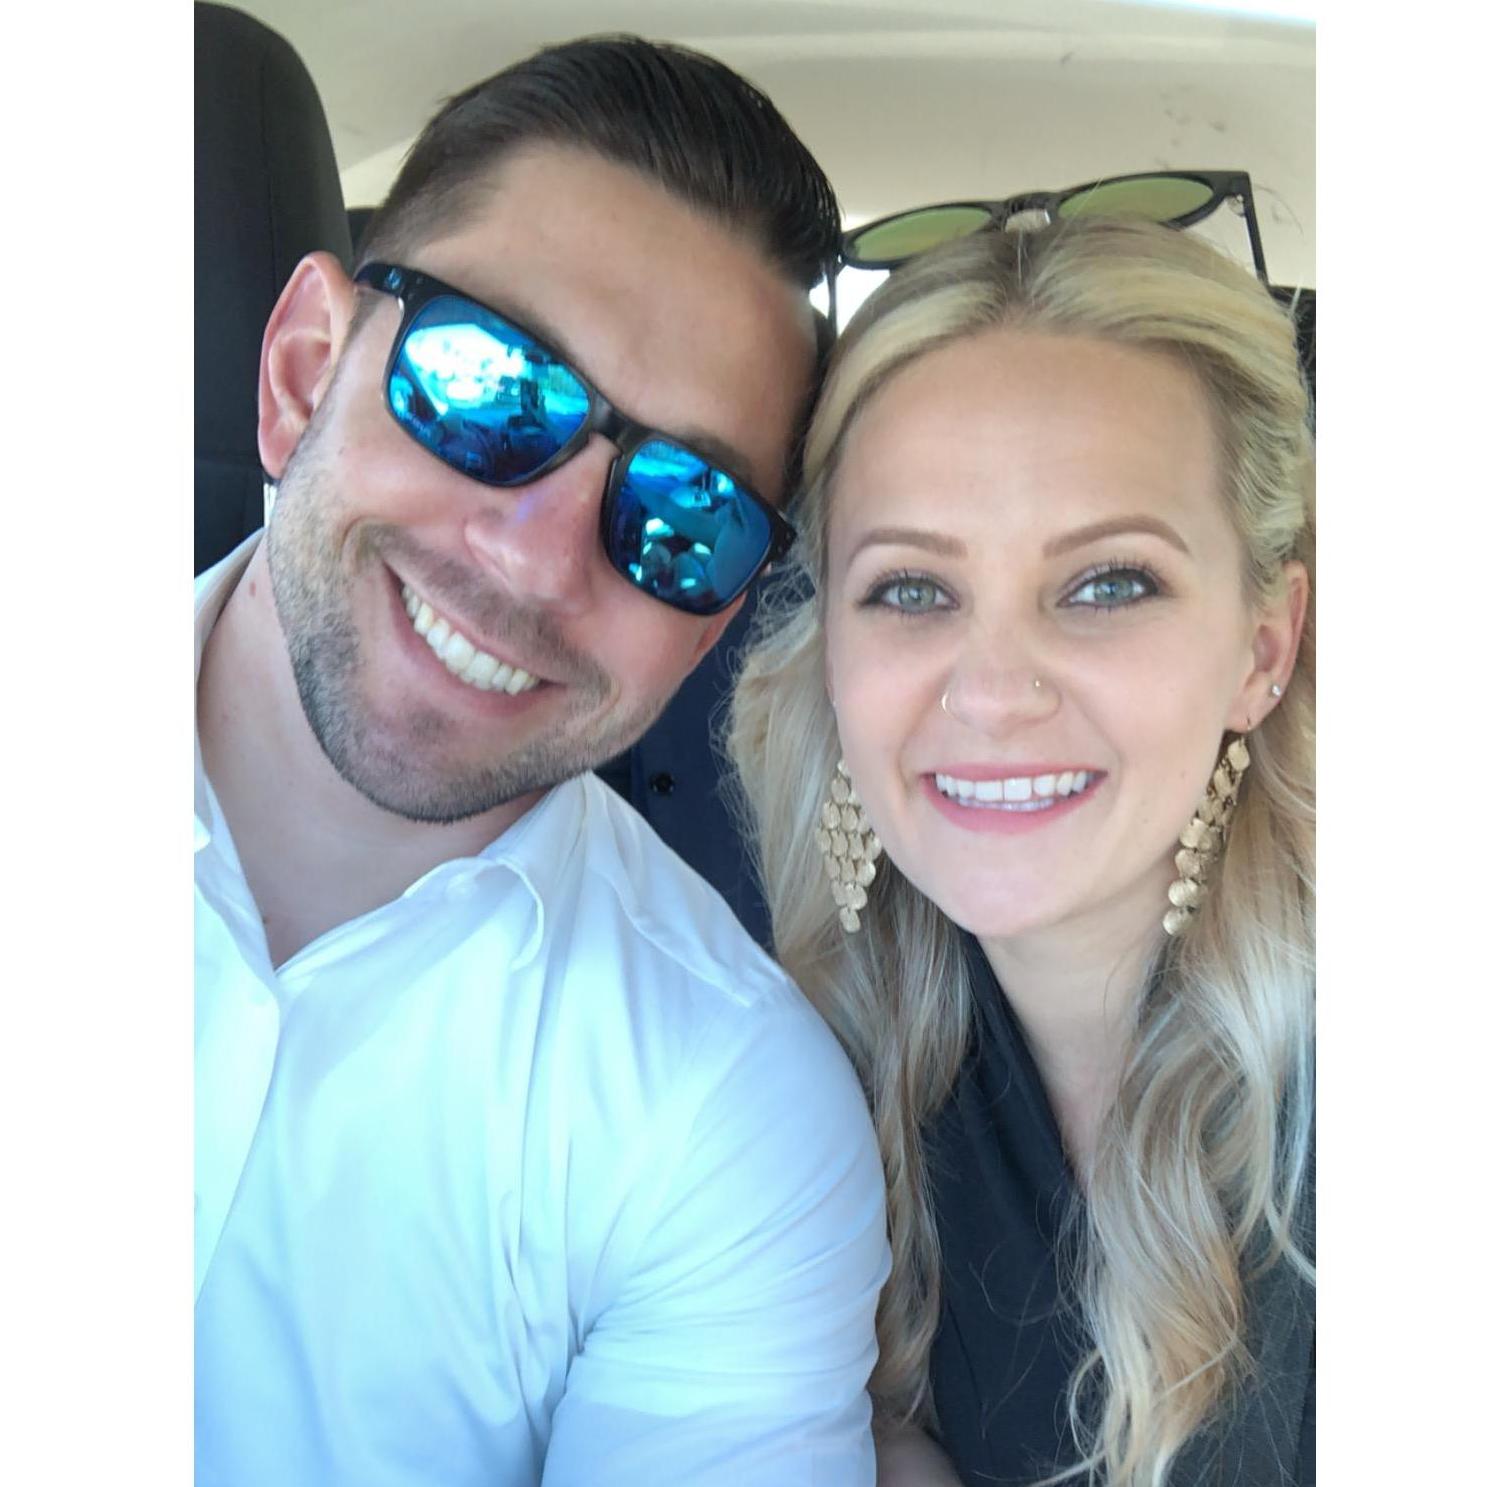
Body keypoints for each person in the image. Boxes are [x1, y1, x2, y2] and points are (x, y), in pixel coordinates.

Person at [194, 36, 890, 1487]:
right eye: (486, 383)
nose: (538, 559)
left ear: (710, 627)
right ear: (304, 370)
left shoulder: (724, 1107)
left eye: (685, 514)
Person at [728, 217, 1314, 1485]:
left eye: (1106, 583)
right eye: (910, 589)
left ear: (1261, 647)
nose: (991, 693)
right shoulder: (821, 1052)